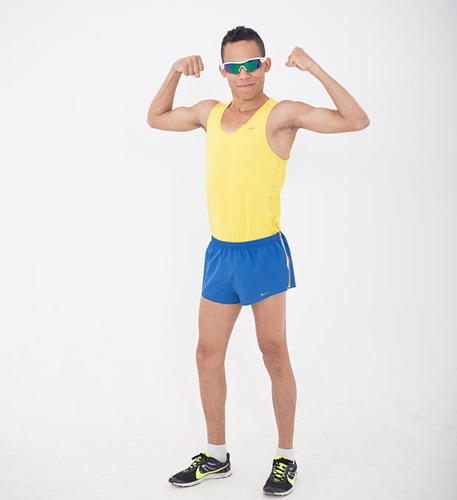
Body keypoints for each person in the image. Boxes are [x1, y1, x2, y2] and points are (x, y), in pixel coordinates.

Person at [147, 26, 369, 496]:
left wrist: (313, 68)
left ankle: (286, 457)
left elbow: (356, 121)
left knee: (273, 354)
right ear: (223, 70)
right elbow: (156, 117)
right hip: (220, 252)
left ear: (265, 65)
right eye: (234, 66)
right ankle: (217, 455)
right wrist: (173, 71)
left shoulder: (281, 115)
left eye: (252, 64)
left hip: (263, 253)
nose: (244, 74)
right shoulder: (209, 113)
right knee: (207, 355)